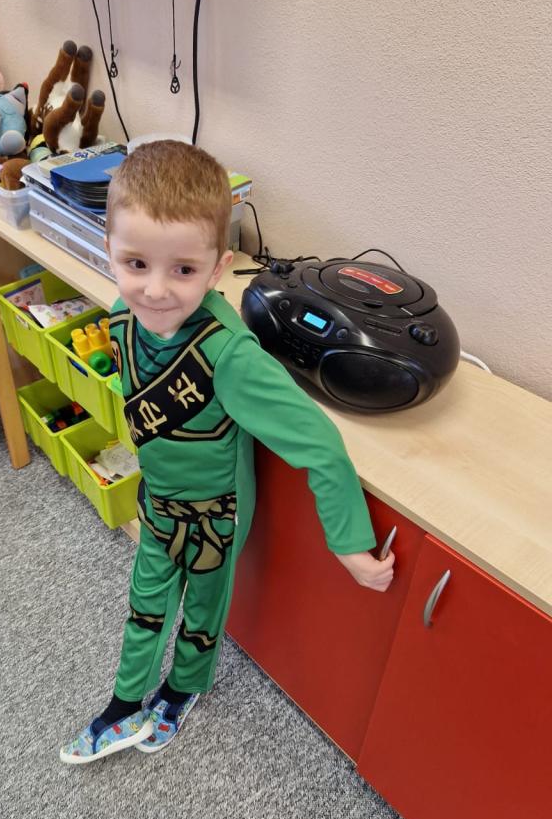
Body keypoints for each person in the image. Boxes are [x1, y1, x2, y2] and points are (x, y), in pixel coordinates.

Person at [60, 140, 395, 765]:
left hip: (218, 515)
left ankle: (183, 688)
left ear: (217, 269)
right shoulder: (121, 316)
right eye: (135, 263)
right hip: (159, 500)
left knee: (202, 614)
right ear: (108, 249)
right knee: (144, 607)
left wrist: (349, 542)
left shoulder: (231, 355)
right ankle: (125, 703)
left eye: (183, 270)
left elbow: (318, 442)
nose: (155, 290)